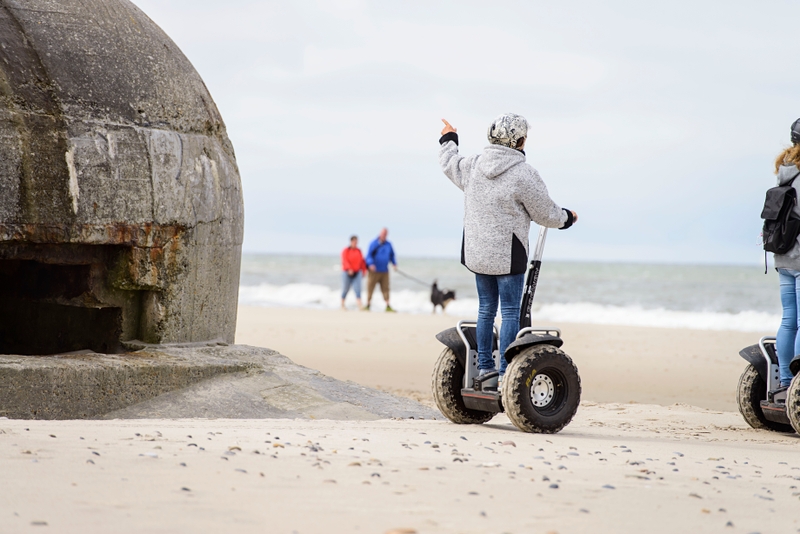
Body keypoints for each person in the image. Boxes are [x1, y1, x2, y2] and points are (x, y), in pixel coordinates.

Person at [438, 114, 577, 385]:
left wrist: (449, 138)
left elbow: (449, 163)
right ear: (520, 140)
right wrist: (567, 218)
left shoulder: (474, 165)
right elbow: (545, 213)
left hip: (478, 254)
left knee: (486, 308)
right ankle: (505, 373)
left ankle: (485, 369)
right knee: (511, 311)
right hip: (507, 255)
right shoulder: (523, 174)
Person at [773, 118, 800, 391]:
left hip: (784, 257)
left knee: (789, 319)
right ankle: (798, 383)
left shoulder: (786, 170)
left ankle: (784, 382)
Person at [364, 228, 397, 312]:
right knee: (370, 287)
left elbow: (392, 255)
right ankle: (368, 304)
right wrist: (371, 264)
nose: (384, 235)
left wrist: (394, 264)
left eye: (385, 234)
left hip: (384, 270)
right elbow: (369, 256)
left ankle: (388, 305)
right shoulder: (374, 243)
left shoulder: (389, 244)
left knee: (386, 288)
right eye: (383, 233)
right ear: (380, 234)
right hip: (374, 270)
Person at [341, 235, 367, 310]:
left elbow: (362, 262)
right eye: (354, 242)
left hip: (357, 272)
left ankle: (359, 305)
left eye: (357, 242)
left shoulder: (359, 251)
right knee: (345, 288)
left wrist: (364, 270)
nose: (356, 243)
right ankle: (342, 304)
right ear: (351, 242)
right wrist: (349, 268)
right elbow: (344, 260)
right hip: (347, 272)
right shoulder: (346, 250)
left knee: (358, 289)